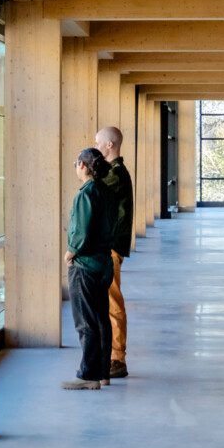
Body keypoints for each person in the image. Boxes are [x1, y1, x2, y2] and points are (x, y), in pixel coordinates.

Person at [63, 147, 117, 390]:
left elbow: (82, 229)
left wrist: (71, 251)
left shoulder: (86, 193)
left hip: (85, 265)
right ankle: (103, 372)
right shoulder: (106, 191)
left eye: (76, 163)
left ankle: (88, 375)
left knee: (85, 322)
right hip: (104, 263)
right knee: (100, 319)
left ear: (83, 165)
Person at [97, 126, 134, 378]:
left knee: (112, 302)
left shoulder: (116, 174)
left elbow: (93, 192)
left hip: (110, 247)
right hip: (107, 245)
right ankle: (110, 354)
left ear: (109, 145)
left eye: (98, 143)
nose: (95, 147)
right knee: (107, 302)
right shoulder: (113, 172)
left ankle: (117, 358)